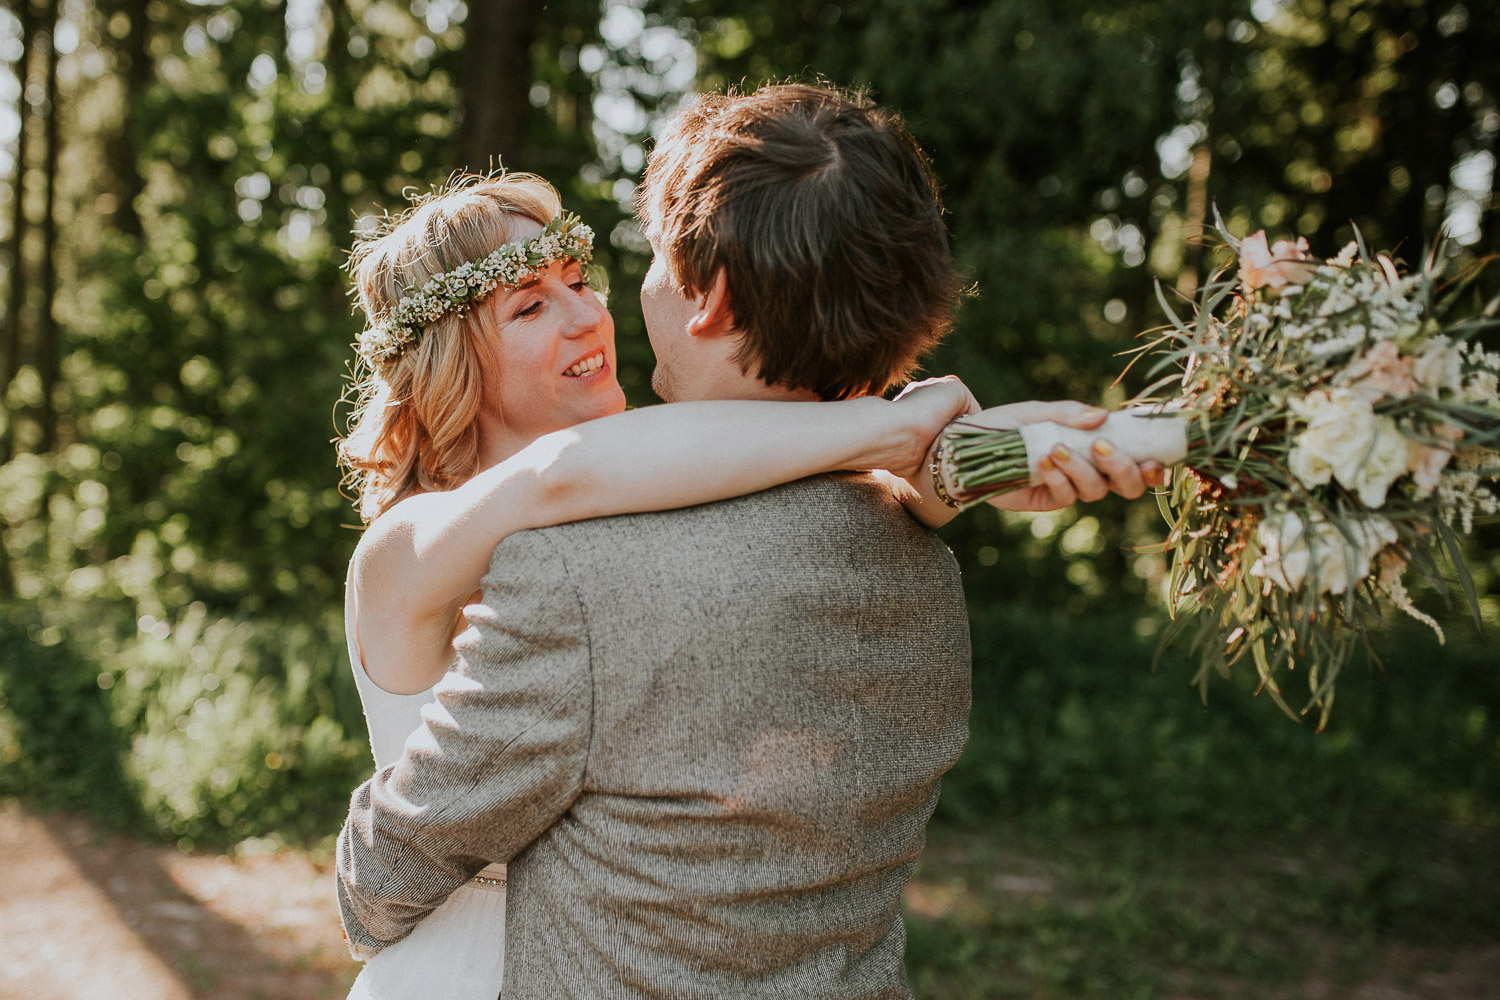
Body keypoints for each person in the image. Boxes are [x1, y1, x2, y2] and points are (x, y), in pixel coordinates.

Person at [336, 85, 1155, 1000]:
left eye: (580, 281)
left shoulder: (653, 479)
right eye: (528, 307)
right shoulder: (409, 544)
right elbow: (562, 475)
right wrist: (890, 435)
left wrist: (936, 475)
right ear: (451, 360)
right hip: (458, 963)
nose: (586, 318)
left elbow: (729, 457)